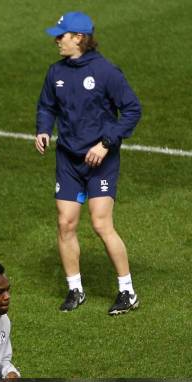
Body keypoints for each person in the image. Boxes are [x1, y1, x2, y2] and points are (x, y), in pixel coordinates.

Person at [35, 12, 142, 315]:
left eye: (62, 35)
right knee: (65, 222)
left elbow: (132, 110)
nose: (57, 40)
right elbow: (47, 106)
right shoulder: (55, 72)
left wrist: (106, 143)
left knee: (99, 222)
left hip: (100, 160)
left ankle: (127, 291)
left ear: (79, 38)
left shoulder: (106, 72)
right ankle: (75, 289)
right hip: (68, 158)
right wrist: (43, 129)